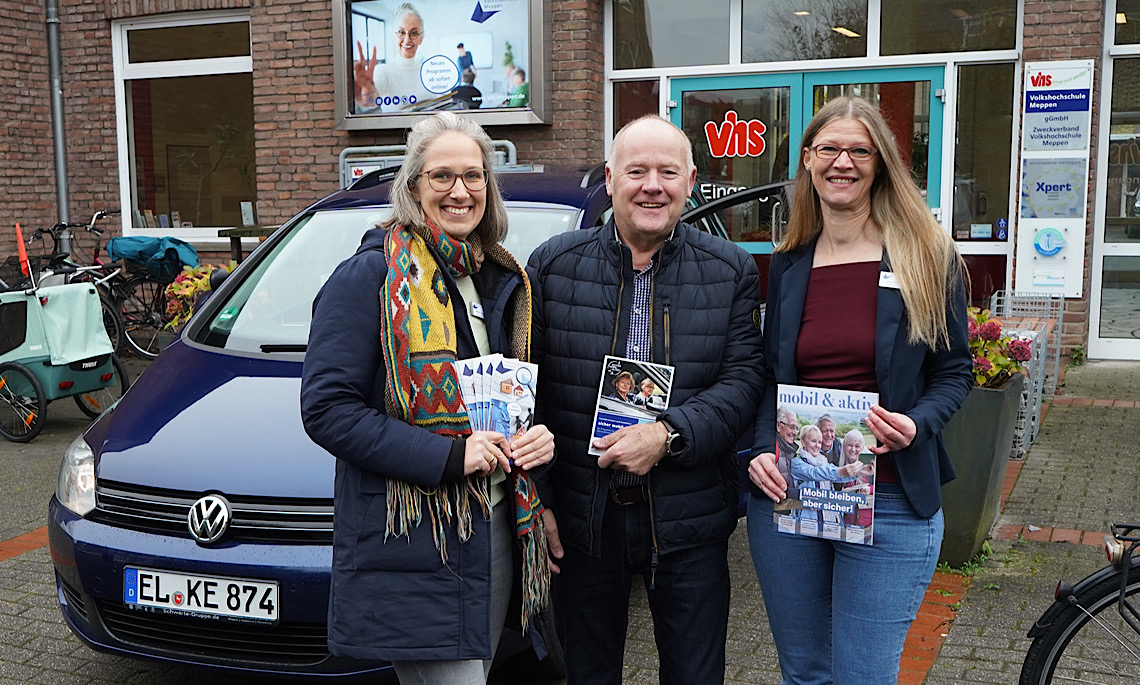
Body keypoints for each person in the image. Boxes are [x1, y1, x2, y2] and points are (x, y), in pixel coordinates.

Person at [300, 111, 556, 685]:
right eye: (442, 176)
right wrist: (448, 456)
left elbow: (504, 397)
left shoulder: (499, 277)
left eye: (473, 176)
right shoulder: (368, 277)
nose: (459, 191)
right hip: (416, 534)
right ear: (413, 187)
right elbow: (326, 410)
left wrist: (532, 438)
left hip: (492, 523)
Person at [527, 114, 764, 684]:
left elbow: (744, 380)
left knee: (695, 675)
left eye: (667, 172)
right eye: (636, 171)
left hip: (690, 521)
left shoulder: (730, 270)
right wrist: (541, 502)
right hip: (586, 523)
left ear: (690, 181)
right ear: (610, 179)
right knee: (588, 674)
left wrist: (669, 433)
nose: (651, 185)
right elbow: (526, 395)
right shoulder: (553, 266)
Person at [746, 96, 972, 685]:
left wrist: (917, 422)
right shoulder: (790, 263)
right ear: (808, 160)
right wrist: (757, 452)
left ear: (881, 163)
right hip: (794, 495)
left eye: (858, 150)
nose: (842, 162)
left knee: (862, 676)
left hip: (892, 497)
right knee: (804, 673)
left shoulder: (925, 255)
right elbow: (770, 378)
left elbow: (954, 372)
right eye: (829, 149)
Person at [352, 3, 433, 113]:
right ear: (394, 36)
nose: (407, 39)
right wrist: (366, 90)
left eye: (413, 33)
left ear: (421, 38)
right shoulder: (384, 71)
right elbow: (371, 100)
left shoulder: (429, 72)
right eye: (401, 32)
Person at [790, 424, 861, 532]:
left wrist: (861, 472)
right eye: (813, 441)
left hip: (827, 520)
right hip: (807, 520)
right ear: (803, 442)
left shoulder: (823, 462)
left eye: (819, 442)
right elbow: (814, 473)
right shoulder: (797, 463)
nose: (817, 445)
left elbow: (837, 476)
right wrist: (840, 472)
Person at [840, 429, 875, 527]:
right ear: (844, 447)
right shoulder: (842, 467)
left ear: (862, 447)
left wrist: (870, 489)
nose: (853, 449)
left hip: (867, 523)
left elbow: (882, 488)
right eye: (850, 445)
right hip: (848, 521)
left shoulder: (870, 465)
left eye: (857, 446)